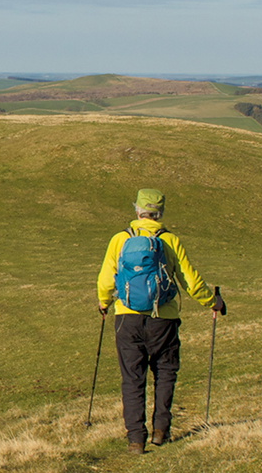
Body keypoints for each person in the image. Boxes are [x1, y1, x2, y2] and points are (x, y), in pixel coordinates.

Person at [96, 188, 226, 454]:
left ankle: (135, 438)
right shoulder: (170, 240)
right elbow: (189, 280)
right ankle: (161, 431)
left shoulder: (120, 239)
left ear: (137, 210)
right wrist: (214, 303)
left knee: (133, 378)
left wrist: (104, 302)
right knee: (165, 373)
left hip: (127, 318)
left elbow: (106, 279)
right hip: (163, 319)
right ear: (160, 212)